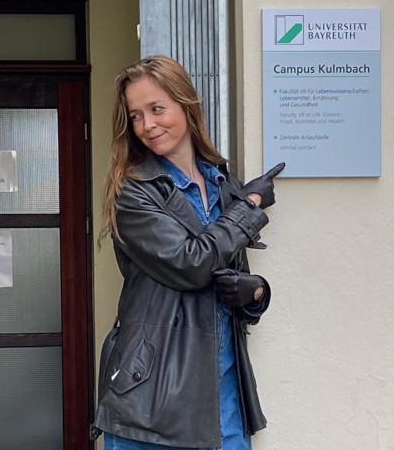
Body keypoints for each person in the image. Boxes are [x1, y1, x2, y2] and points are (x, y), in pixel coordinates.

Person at [91, 55, 285, 450]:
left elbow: (224, 272)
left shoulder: (222, 183)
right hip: (151, 401)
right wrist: (249, 205)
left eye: (157, 108)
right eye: (136, 116)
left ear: (186, 104)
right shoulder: (135, 191)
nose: (147, 125)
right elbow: (190, 264)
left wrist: (255, 293)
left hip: (221, 393)